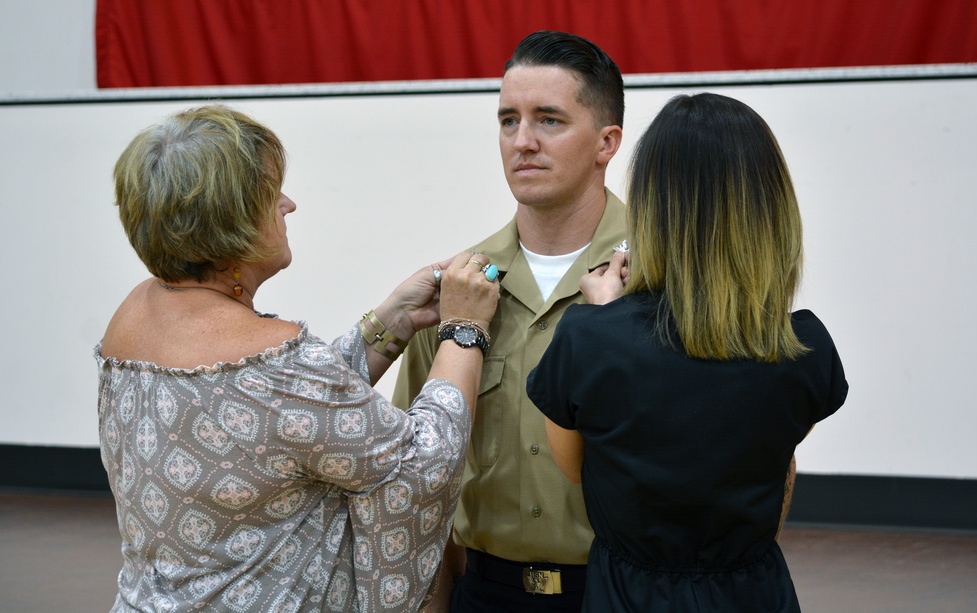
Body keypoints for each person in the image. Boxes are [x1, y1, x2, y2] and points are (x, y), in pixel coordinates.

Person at [96, 104, 500, 612]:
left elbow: (274, 427)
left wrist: (389, 322)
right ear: (232, 223)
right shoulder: (276, 362)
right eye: (271, 194)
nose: (288, 205)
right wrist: (464, 328)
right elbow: (418, 464)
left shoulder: (135, 312)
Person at [526, 93, 850, 612]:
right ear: (772, 209)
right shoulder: (805, 348)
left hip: (631, 598)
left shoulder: (588, 339)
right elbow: (771, 466)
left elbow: (577, 469)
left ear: (654, 209)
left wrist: (606, 316)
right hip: (755, 594)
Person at [392, 31, 625, 611]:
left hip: (623, 590)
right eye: (507, 120)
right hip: (487, 593)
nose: (522, 142)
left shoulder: (660, 281)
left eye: (549, 120)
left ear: (605, 142)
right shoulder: (461, 288)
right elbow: (419, 476)